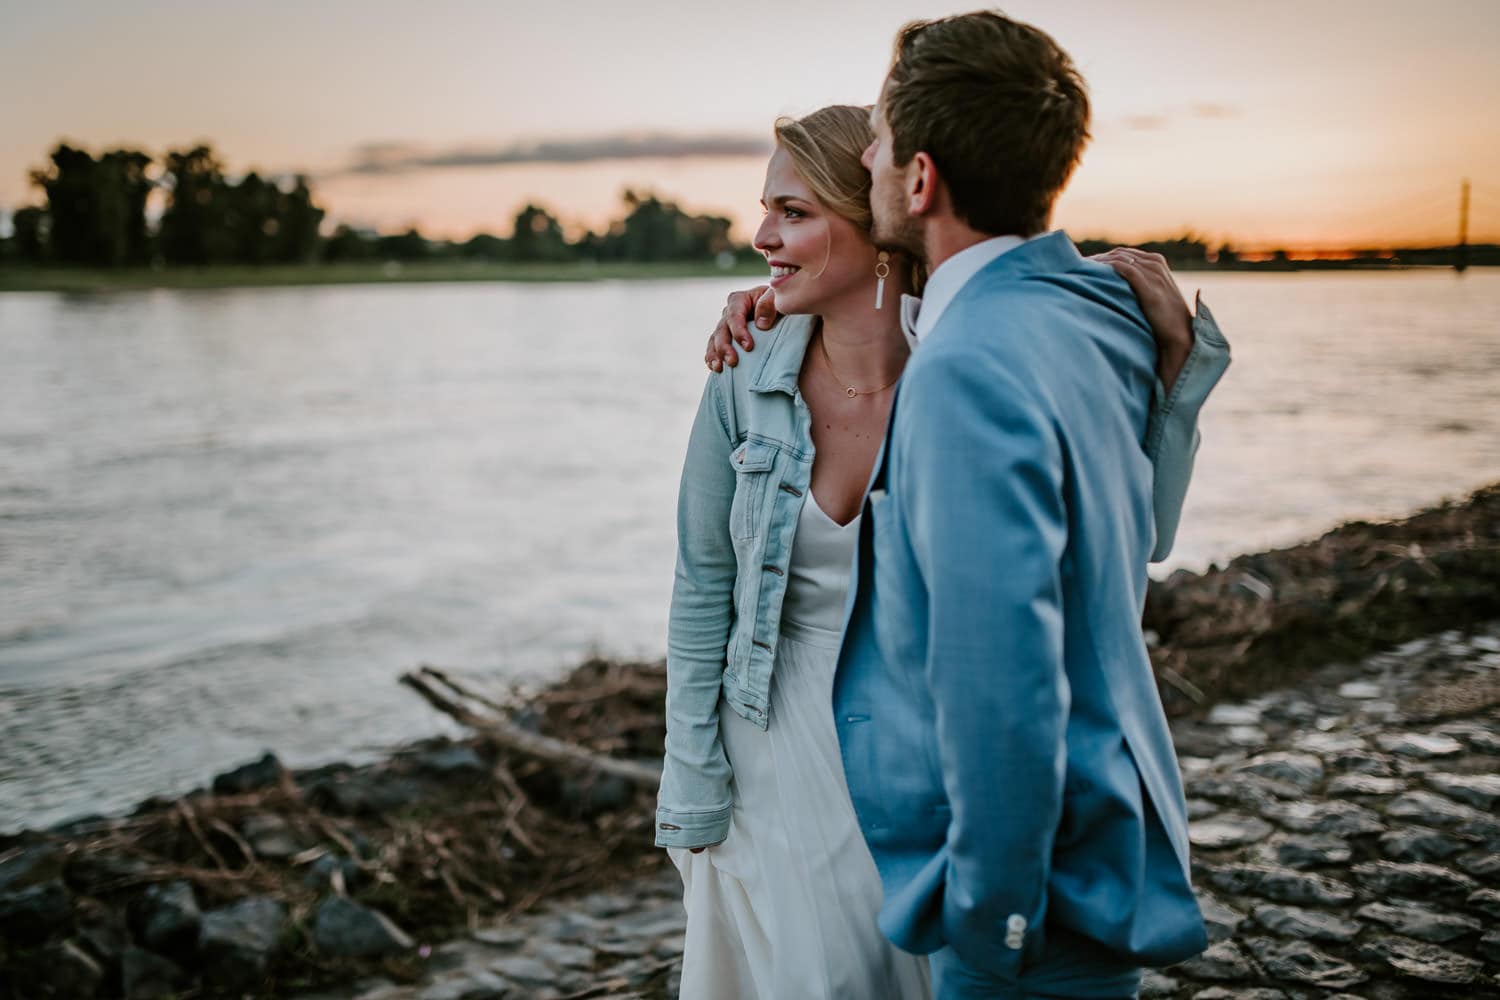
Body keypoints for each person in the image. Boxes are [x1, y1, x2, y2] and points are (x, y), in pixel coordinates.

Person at [657, 99, 1227, 1000]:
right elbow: (703, 589)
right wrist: (691, 783)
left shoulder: (977, 362)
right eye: (766, 208)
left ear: (883, 218)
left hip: (923, 750)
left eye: (795, 213)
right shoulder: (745, 373)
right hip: (771, 743)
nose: (761, 236)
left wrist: (1174, 374)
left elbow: (1145, 537)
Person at [827, 12, 1215, 999]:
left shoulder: (963, 369)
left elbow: (1001, 680)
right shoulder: (1097, 308)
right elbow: (1142, 534)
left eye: (878, 135)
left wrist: (990, 916)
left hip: (1030, 904)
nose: (864, 155)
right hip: (1100, 843)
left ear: (919, 180)